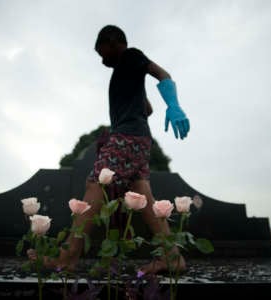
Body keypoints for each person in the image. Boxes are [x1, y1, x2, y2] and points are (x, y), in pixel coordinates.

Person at [28, 25, 190, 275]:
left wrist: (174, 105)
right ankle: (172, 257)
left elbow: (162, 74)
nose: (102, 59)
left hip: (127, 137)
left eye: (102, 52)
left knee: (96, 184)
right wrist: (133, 104)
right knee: (143, 196)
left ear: (115, 42)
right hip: (138, 139)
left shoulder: (131, 56)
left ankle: (67, 257)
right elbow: (147, 109)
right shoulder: (126, 71)